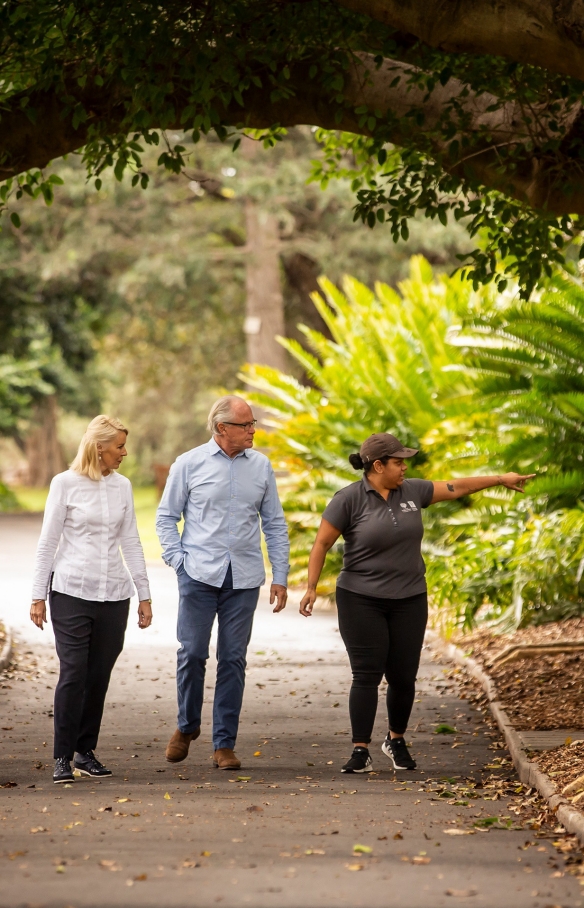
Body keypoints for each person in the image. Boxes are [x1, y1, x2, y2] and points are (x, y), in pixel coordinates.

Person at [299, 432, 534, 774]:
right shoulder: (348, 499)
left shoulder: (413, 491)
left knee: (403, 675)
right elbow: (321, 543)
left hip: (409, 597)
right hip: (360, 598)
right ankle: (360, 749)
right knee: (366, 673)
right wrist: (310, 587)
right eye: (398, 462)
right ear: (377, 466)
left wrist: (500, 479)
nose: (404, 467)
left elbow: (457, 487)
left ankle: (395, 740)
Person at [156, 395, 289, 771]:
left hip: (243, 579)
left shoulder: (261, 466)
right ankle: (186, 727)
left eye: (253, 423)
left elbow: (274, 524)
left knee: (233, 658)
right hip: (198, 575)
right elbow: (166, 517)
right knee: (193, 652)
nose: (253, 430)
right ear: (221, 428)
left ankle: (224, 744)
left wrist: (280, 574)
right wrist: (178, 561)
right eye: (246, 425)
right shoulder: (189, 464)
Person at [30, 415, 153, 784]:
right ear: (99, 447)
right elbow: (48, 542)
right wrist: (38, 596)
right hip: (71, 591)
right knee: (73, 672)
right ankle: (62, 757)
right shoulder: (64, 484)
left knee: (98, 675)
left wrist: (144, 594)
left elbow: (131, 540)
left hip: (114, 595)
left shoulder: (123, 487)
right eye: (119, 447)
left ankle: (85, 751)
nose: (124, 453)